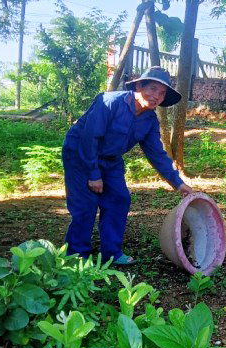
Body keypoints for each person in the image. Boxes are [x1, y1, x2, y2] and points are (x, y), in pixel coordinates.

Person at [62, 66, 193, 265]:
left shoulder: (149, 120)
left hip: (111, 159)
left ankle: (111, 253)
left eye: (162, 93)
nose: (156, 96)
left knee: (119, 198)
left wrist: (178, 183)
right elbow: (89, 139)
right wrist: (93, 174)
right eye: (152, 89)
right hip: (80, 153)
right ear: (139, 86)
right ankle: (76, 255)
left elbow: (157, 154)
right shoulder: (110, 102)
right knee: (86, 205)